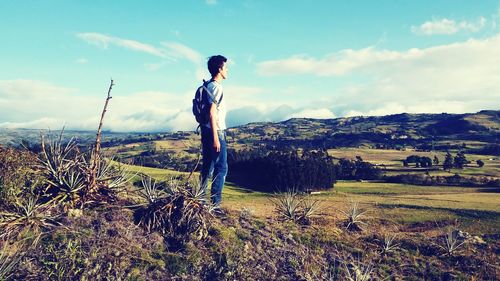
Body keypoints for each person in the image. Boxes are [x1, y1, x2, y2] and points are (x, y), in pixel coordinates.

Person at [200, 55, 228, 215]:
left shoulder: (207, 85)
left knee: (207, 166)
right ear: (219, 69)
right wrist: (216, 137)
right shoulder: (217, 87)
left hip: (206, 131)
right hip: (215, 132)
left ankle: (201, 200)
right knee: (221, 168)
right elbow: (212, 113)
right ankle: (215, 206)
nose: (227, 70)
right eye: (225, 67)